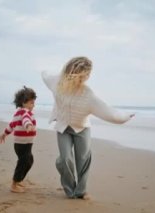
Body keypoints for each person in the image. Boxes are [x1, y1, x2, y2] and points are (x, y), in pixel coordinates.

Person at [41, 56, 134, 200]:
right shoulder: (56, 83)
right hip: (63, 127)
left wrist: (125, 116)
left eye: (87, 75)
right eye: (85, 75)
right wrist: (44, 69)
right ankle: (70, 190)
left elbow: (109, 112)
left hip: (82, 128)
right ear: (74, 73)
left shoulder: (88, 94)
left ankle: (80, 191)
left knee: (83, 159)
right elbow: (45, 74)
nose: (86, 78)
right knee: (65, 159)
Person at [0, 86, 37, 193]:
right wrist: (28, 125)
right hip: (23, 144)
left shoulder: (18, 113)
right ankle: (14, 184)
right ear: (24, 103)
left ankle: (18, 180)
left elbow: (12, 125)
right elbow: (26, 120)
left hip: (23, 144)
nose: (34, 105)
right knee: (24, 162)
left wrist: (4, 134)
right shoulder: (24, 112)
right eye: (32, 103)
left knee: (29, 161)